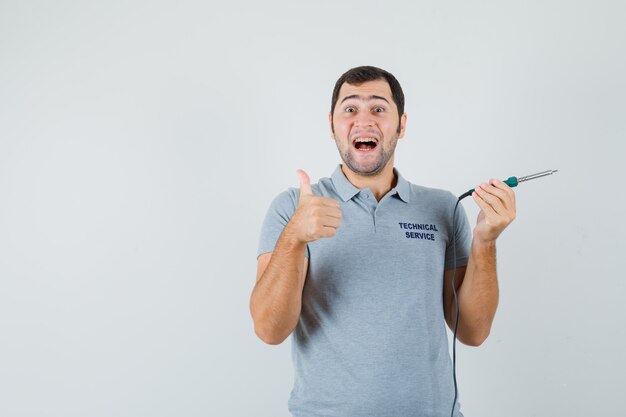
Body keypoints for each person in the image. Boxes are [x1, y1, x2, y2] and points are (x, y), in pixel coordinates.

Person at [249, 66, 516, 417]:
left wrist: (486, 239)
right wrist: (295, 237)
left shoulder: (444, 208)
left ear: (401, 125)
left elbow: (473, 331)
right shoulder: (293, 208)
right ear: (332, 125)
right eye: (350, 109)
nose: (364, 120)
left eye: (378, 108)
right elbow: (269, 330)